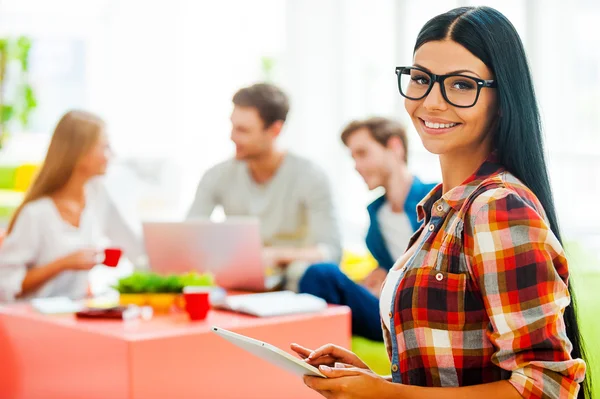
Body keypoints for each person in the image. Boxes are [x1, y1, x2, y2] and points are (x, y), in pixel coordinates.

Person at [292, 6, 589, 398]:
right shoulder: (439, 210)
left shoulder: (497, 207)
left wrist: (388, 395)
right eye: (420, 79)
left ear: (502, 99)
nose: (431, 101)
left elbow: (547, 387)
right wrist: (375, 383)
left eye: (462, 85)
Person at [187, 83, 341, 290]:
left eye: (243, 130)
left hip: (293, 288)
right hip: (235, 286)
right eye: (232, 126)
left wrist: (275, 255)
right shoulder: (217, 175)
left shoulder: (311, 176)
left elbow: (331, 251)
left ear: (274, 130)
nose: (232, 136)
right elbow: (188, 235)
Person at [299, 117, 436, 341]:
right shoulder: (376, 215)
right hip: (390, 312)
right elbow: (387, 267)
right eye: (353, 157)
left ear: (394, 147)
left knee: (322, 273)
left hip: (425, 313)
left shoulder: (437, 197)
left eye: (362, 153)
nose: (356, 165)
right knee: (318, 277)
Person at [0, 110, 144, 301]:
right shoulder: (36, 214)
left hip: (76, 313)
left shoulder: (98, 196)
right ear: (80, 152)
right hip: (35, 319)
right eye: (105, 147)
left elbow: (135, 248)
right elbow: (5, 284)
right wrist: (63, 264)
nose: (112, 155)